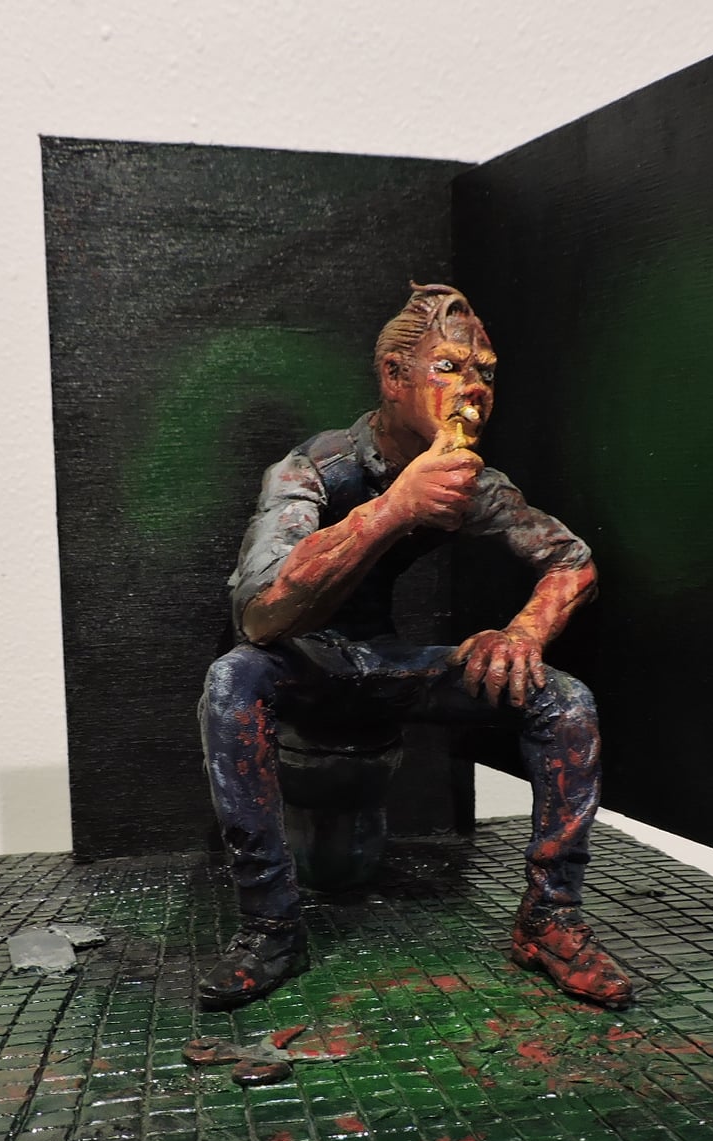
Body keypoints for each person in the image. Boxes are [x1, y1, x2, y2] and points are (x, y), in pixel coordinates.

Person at [196, 283, 631, 1012]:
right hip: (301, 664)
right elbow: (260, 614)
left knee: (566, 701)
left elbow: (572, 562)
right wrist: (392, 508)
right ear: (394, 377)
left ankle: (549, 919)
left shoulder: (470, 482)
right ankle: (271, 925)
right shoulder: (312, 469)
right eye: (449, 367)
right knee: (231, 679)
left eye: (485, 372)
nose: (473, 389)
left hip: (381, 663)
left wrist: (523, 633)